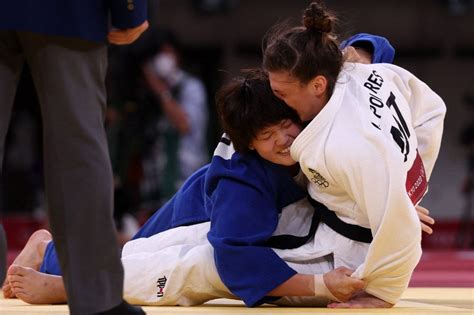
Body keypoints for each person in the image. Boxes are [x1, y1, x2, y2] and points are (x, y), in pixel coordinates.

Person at [5, 68, 434, 307]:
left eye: (287, 123)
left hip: (279, 211)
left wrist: (379, 204)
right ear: (249, 144)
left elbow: (367, 53)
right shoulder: (245, 180)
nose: (285, 139)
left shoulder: (309, 109)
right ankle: (55, 262)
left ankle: (57, 260)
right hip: (202, 212)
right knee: (163, 262)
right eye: (269, 137)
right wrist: (319, 287)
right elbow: (233, 260)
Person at [261, 0, 446, 308]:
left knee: (220, 266)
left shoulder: (348, 145)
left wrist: (381, 294)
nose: (275, 98)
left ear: (318, 85)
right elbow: (432, 110)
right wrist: (404, 186)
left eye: (282, 92)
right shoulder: (371, 74)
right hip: (327, 218)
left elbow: (399, 227)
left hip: (345, 258)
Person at [0, 1, 149, 314]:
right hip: (66, 10)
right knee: (77, 147)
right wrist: (129, 7)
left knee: (78, 146)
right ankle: (97, 301)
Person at [141, 29, 209, 207]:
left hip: (187, 182)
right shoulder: (146, 93)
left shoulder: (191, 87)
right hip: (155, 187)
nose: (161, 59)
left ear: (177, 55)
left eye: (166, 52)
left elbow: (184, 125)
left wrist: (161, 91)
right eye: (157, 54)